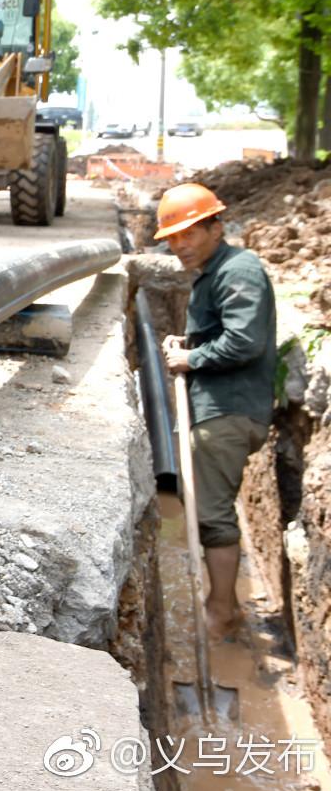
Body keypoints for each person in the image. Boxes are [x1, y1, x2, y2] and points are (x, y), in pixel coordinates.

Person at [157, 182, 277, 639]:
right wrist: (192, 344)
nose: (179, 245)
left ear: (216, 227)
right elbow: (225, 331)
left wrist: (192, 359)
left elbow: (245, 340)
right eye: (171, 237)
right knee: (211, 507)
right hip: (220, 407)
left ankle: (221, 611)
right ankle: (224, 606)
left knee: (211, 514)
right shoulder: (218, 271)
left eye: (188, 233)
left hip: (227, 412)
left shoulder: (238, 270)